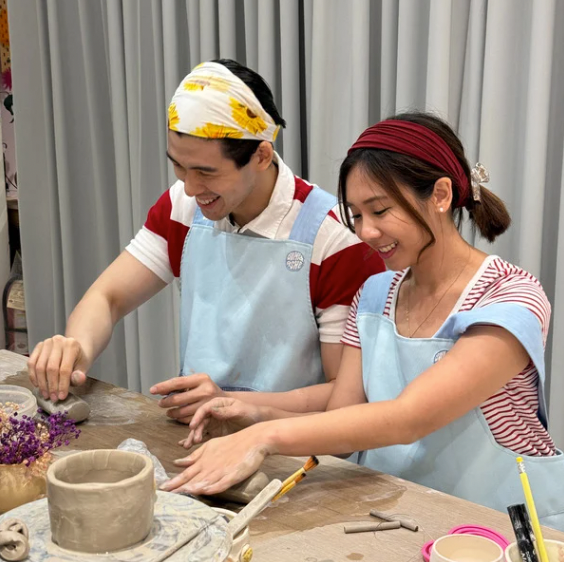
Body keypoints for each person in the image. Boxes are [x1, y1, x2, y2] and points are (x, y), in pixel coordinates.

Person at [163, 112, 564, 530]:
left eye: (380, 210)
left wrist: (262, 436)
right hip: (397, 516)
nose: (365, 232)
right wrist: (248, 411)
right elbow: (342, 418)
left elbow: (410, 418)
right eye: (355, 214)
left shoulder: (510, 298)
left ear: (441, 194)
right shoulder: (375, 295)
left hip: (501, 525)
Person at [26, 59, 384, 423]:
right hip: (197, 433)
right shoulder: (182, 206)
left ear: (261, 155)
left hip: (297, 453)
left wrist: (235, 405)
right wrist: (76, 350)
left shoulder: (333, 239)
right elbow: (108, 297)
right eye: (179, 167)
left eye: (206, 172)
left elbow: (346, 393)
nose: (191, 188)